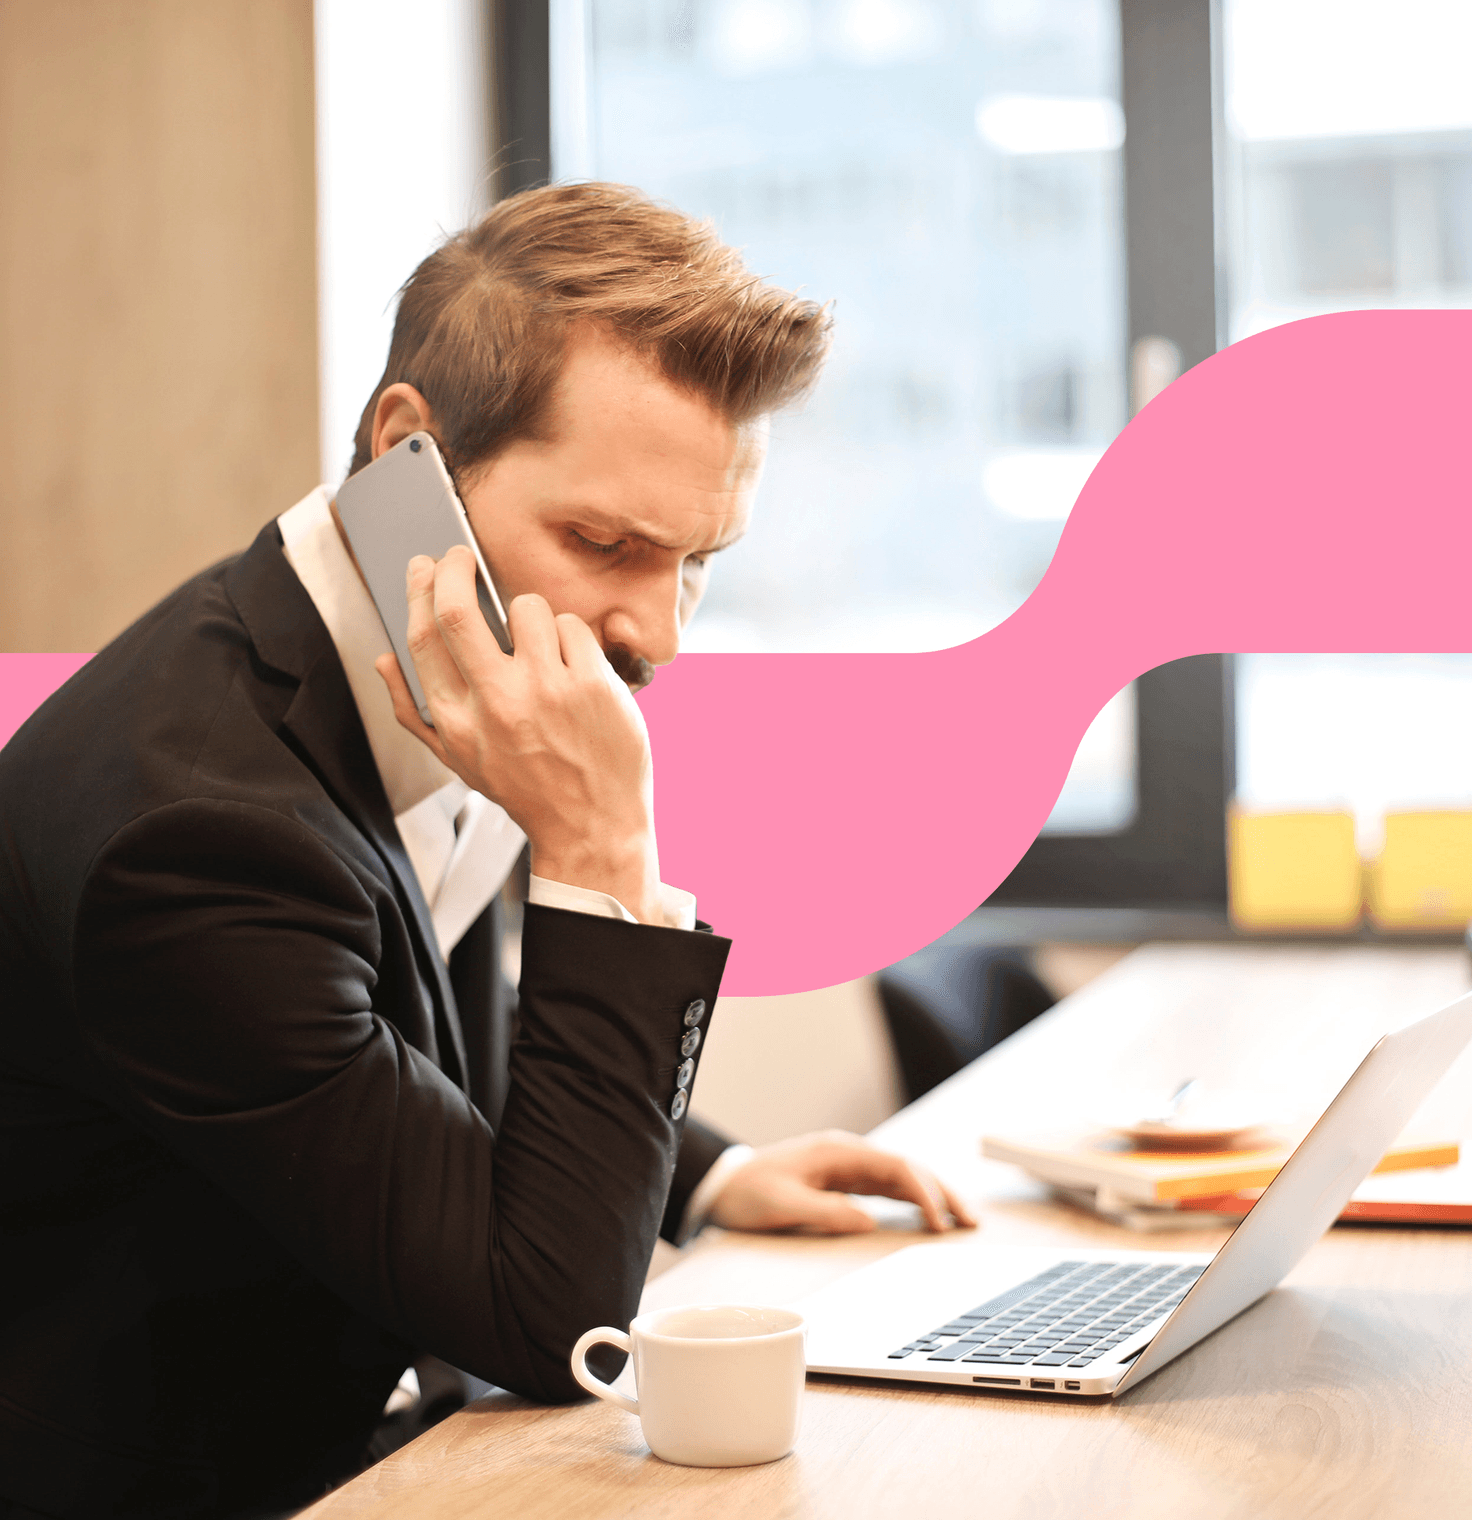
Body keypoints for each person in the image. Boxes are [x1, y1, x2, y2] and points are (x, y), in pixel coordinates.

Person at [0, 183, 971, 1520]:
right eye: (604, 543)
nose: (658, 634)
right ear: (412, 455)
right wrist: (601, 848)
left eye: (698, 563)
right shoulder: (200, 838)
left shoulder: (399, 651)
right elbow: (549, 1326)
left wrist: (716, 1173)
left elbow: (413, 1037)